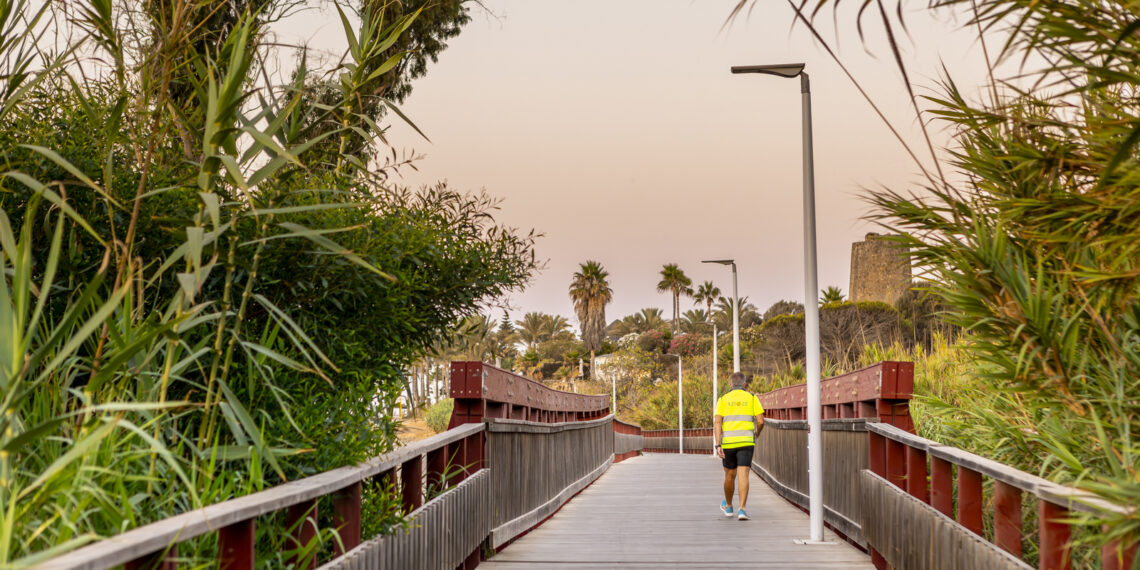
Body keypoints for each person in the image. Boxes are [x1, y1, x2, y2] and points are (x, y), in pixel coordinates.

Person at [714, 372, 764, 521]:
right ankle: (742, 509)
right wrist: (756, 433)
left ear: (730, 385)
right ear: (744, 384)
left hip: (729, 442)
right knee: (744, 474)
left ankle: (729, 506)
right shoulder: (752, 398)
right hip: (747, 441)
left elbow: (717, 422)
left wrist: (718, 444)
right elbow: (761, 421)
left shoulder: (723, 399)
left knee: (729, 475)